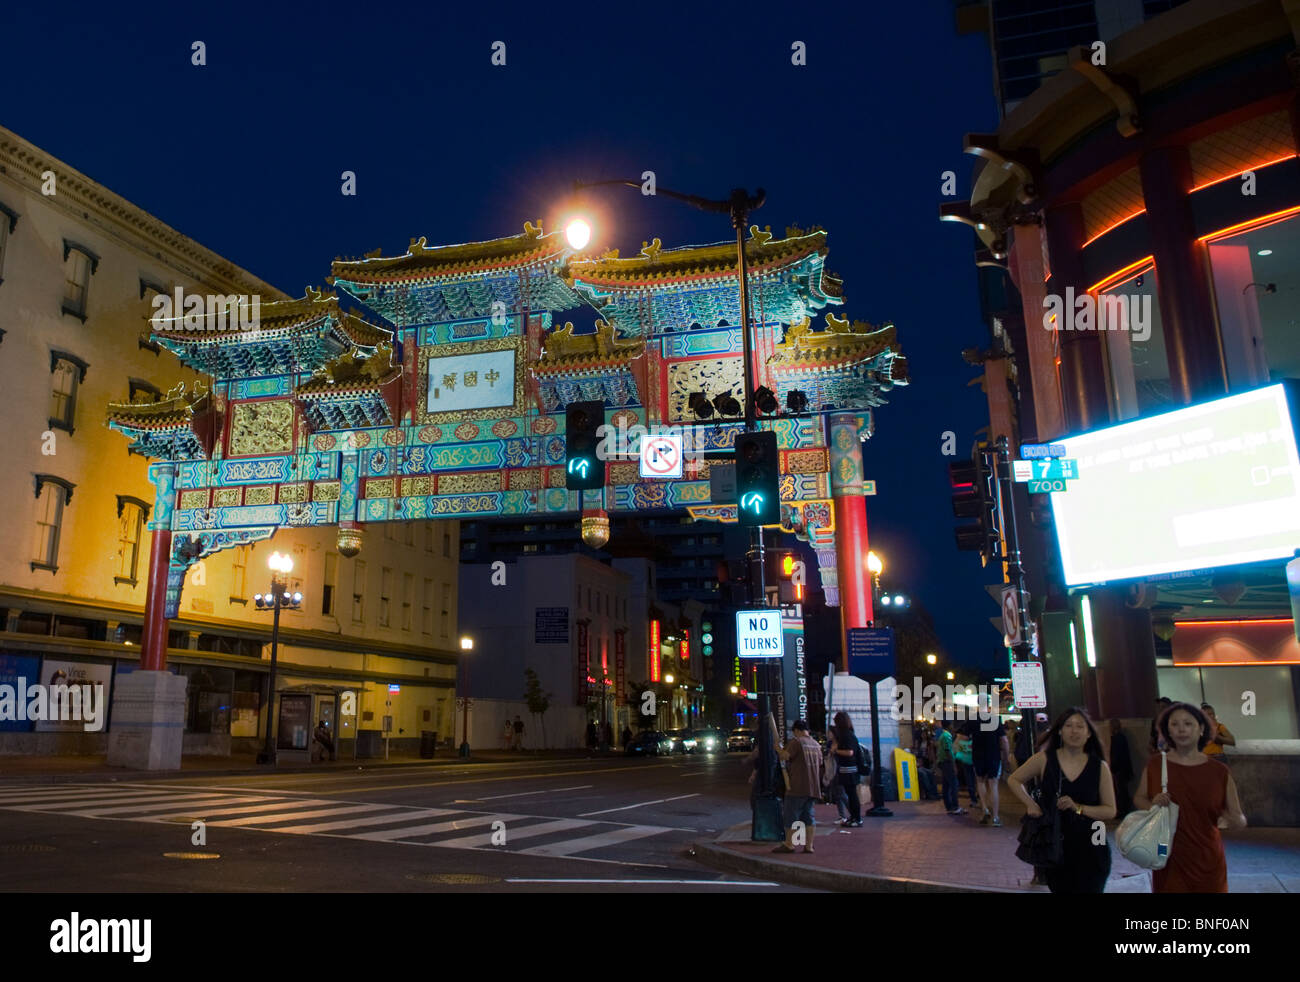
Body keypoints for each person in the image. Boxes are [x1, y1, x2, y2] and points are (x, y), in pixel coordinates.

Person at [1134, 702, 1247, 893]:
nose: (1181, 730)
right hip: (1168, 854)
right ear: (1167, 730)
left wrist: (1234, 820)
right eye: (1174, 724)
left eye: (1188, 724)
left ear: (1201, 728)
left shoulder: (1219, 772)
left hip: (1207, 857)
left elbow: (1238, 817)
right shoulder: (1156, 765)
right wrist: (1152, 804)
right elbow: (1139, 798)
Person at [1007, 707, 1116, 894]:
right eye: (1069, 726)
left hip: (1092, 846)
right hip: (1056, 846)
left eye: (1080, 726)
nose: (1074, 731)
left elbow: (1110, 810)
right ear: (1059, 730)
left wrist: (1079, 808)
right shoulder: (1044, 759)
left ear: (1089, 733)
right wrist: (1031, 805)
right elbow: (1014, 779)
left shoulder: (1099, 766)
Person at [774, 720, 823, 854]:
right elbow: (820, 764)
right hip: (813, 787)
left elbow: (785, 756)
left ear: (797, 730)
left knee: (790, 816)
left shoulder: (797, 742)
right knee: (809, 817)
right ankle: (809, 846)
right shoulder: (816, 745)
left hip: (797, 786)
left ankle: (789, 844)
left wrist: (778, 749)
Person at [971, 705, 1011, 827]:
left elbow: (963, 737)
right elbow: (1004, 740)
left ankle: (984, 810)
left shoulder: (973, 720)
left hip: (978, 756)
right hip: (993, 756)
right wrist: (1006, 756)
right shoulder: (994, 720)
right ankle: (995, 817)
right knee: (993, 785)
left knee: (980, 782)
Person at [828, 711, 863, 826]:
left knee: (852, 795)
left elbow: (849, 752)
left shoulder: (847, 735)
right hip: (847, 769)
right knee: (850, 794)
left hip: (849, 770)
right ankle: (854, 817)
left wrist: (836, 751)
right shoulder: (847, 735)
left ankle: (857, 818)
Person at [934, 721, 966, 815]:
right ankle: (955, 807)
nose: (953, 727)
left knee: (946, 785)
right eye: (952, 725)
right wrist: (954, 765)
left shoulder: (943, 735)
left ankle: (949, 806)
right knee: (954, 784)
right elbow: (948, 751)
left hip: (942, 762)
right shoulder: (947, 736)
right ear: (949, 726)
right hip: (947, 762)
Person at [1108, 718, 1134, 817]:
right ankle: (1123, 810)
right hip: (1123, 769)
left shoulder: (1117, 738)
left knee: (1121, 791)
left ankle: (1122, 811)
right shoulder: (1120, 737)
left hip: (1120, 770)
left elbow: (1117, 755)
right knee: (1122, 791)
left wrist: (1113, 768)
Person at [954, 722, 980, 809]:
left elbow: (956, 748)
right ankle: (979, 796)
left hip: (966, 759)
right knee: (979, 779)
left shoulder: (961, 736)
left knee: (970, 780)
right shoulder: (978, 733)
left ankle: (974, 799)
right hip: (977, 758)